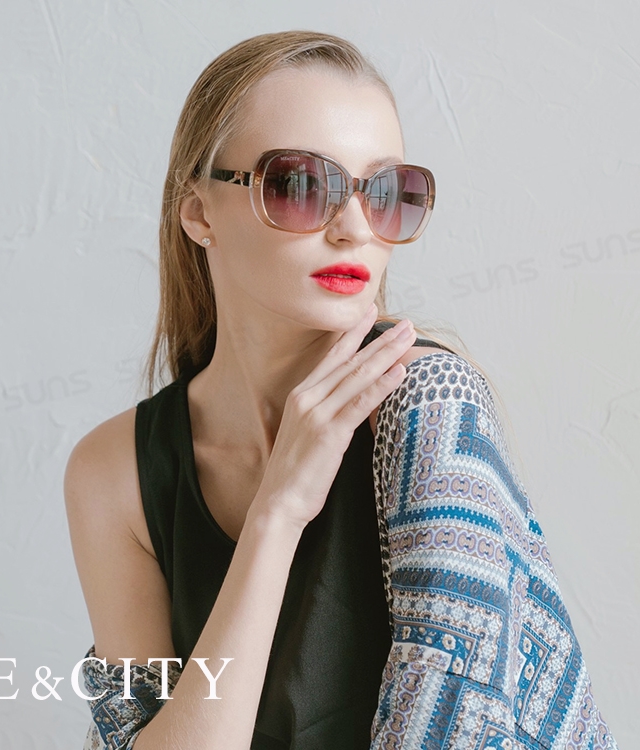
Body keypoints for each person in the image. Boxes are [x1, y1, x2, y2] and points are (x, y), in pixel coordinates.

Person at [64, 31, 618, 750]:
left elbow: (453, 730)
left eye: (386, 194)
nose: (355, 228)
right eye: (299, 185)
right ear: (199, 212)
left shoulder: (430, 403)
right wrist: (276, 515)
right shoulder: (114, 473)